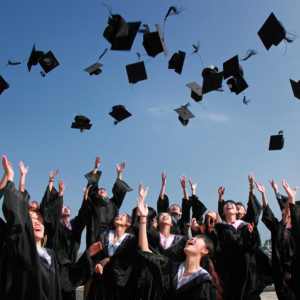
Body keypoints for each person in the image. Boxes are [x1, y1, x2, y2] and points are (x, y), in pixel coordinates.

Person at [0, 155, 102, 300]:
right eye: (31, 219)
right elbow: (16, 219)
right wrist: (11, 178)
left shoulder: (50, 257)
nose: (37, 223)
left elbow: (68, 278)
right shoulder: (17, 247)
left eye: (40, 221)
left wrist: (87, 256)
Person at [137, 187, 222, 300]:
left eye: (198, 239)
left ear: (205, 250)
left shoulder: (204, 281)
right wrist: (143, 218)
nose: (192, 239)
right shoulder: (171, 268)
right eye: (193, 237)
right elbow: (146, 251)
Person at [83, 156, 132, 299]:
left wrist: (119, 174)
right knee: (92, 269)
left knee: (109, 268)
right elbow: (91, 188)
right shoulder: (94, 202)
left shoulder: (113, 204)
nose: (101, 191)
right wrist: (96, 168)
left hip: (110, 237)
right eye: (99, 191)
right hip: (95, 234)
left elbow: (119, 191)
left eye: (103, 191)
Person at [208, 186, 262, 300]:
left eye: (232, 205)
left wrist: (251, 235)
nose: (229, 205)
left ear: (237, 211)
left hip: (245, 268)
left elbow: (252, 246)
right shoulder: (218, 228)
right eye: (226, 205)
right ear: (222, 212)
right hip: (226, 270)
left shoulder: (244, 226)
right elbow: (215, 249)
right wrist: (211, 234)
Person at [256, 181, 297, 300]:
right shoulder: (277, 227)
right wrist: (263, 193)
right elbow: (267, 211)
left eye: (287, 208)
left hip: (293, 269)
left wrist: (288, 268)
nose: (284, 209)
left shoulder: (295, 229)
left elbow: (293, 250)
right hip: (279, 269)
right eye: (283, 208)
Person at [87, 213, 138, 300]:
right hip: (101, 280)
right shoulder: (103, 235)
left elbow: (128, 261)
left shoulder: (131, 240)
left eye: (123, 216)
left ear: (128, 224)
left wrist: (110, 260)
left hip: (119, 283)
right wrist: (97, 263)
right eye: (118, 215)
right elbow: (95, 255)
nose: (119, 216)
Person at [157, 172, 191, 237]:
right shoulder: (164, 219)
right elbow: (161, 203)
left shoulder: (183, 221)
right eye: (172, 206)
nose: (174, 207)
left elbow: (186, 204)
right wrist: (163, 185)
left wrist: (184, 187)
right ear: (168, 211)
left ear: (180, 212)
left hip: (182, 245)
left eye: (177, 207)